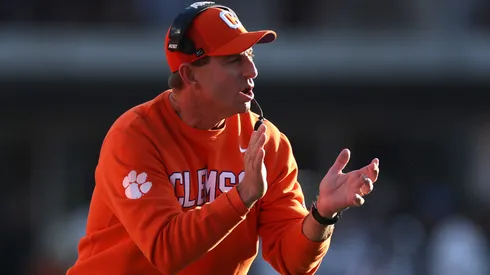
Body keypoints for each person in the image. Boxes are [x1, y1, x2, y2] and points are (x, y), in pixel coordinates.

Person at [67, 2, 380, 275]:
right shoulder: (136, 135)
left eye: (250, 55)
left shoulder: (265, 141)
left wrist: (322, 214)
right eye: (234, 60)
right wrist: (242, 195)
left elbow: (293, 262)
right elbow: (166, 251)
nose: (252, 70)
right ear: (190, 75)